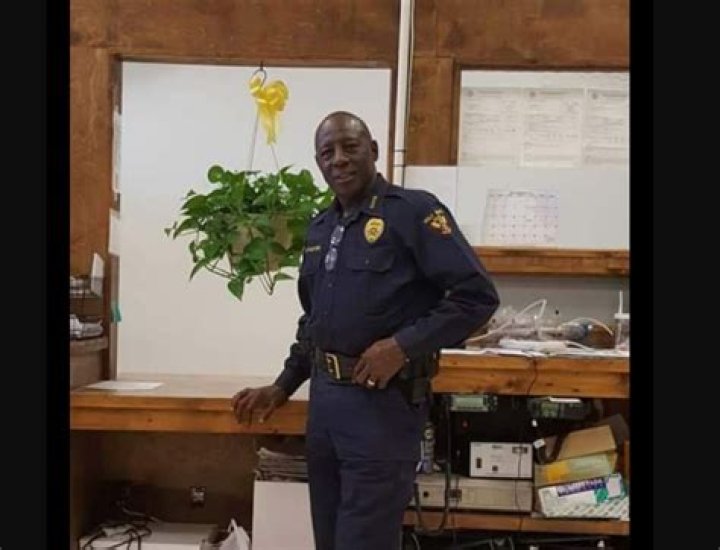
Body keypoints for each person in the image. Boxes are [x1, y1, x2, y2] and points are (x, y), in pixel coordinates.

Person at [231, 111, 499, 550]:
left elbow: (477, 297)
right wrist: (283, 385)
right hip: (326, 407)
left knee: (365, 541)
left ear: (373, 151)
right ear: (318, 163)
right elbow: (314, 320)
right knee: (330, 539)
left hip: (382, 407)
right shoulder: (320, 227)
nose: (338, 159)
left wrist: (402, 346)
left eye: (350, 147)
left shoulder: (413, 211)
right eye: (327, 152)